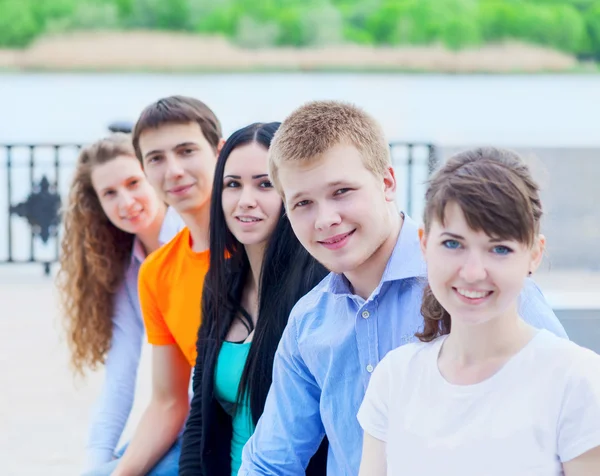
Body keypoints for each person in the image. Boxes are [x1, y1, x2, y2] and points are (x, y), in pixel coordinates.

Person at [239, 101, 568, 475]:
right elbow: (270, 463)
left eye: (342, 191)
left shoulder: (477, 289)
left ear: (387, 183)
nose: (326, 219)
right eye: (303, 203)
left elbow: (565, 422)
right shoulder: (308, 323)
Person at [357, 147, 600, 475]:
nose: (473, 272)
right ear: (424, 244)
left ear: (534, 254)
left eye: (499, 249)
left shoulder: (577, 380)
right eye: (453, 244)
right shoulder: (394, 377)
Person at [179, 122, 328, 475]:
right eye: (233, 185)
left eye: (265, 184)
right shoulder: (220, 285)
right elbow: (200, 417)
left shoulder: (321, 289)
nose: (246, 200)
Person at [89, 96, 223, 476]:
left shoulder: (256, 245)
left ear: (219, 152)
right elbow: (166, 400)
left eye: (186, 151)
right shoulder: (156, 271)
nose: (174, 170)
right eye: (157, 159)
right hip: (195, 427)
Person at [56, 134, 184, 473]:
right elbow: (120, 376)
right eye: (109, 193)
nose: (126, 201)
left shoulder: (191, 241)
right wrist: (96, 460)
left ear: (154, 178)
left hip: (209, 422)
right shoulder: (129, 270)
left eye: (133, 183)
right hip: (171, 421)